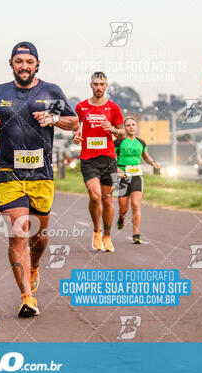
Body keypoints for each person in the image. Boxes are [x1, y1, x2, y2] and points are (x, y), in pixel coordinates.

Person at [0, 41, 78, 318]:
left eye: (29, 62)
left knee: (40, 237)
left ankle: (34, 266)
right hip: (9, 171)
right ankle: (27, 297)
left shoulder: (51, 91)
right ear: (11, 63)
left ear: (37, 64)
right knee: (19, 234)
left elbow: (74, 122)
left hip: (41, 175)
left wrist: (53, 118)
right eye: (19, 61)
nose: (24, 66)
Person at [73, 71, 125, 252]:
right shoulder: (81, 107)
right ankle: (96, 231)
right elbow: (74, 127)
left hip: (109, 158)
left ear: (106, 86)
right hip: (88, 159)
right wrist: (76, 136)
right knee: (94, 196)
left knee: (108, 200)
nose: (98, 87)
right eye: (95, 84)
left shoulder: (114, 108)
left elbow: (123, 132)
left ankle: (107, 235)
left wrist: (112, 129)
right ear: (91, 85)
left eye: (101, 84)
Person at [114, 117, 160, 244]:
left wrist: (153, 163)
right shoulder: (118, 142)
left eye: (133, 125)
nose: (131, 127)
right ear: (124, 128)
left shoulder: (141, 142)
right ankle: (121, 217)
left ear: (136, 127)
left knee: (136, 204)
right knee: (123, 208)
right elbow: (111, 158)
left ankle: (136, 233)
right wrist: (117, 170)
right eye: (128, 125)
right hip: (122, 176)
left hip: (136, 176)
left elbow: (146, 157)